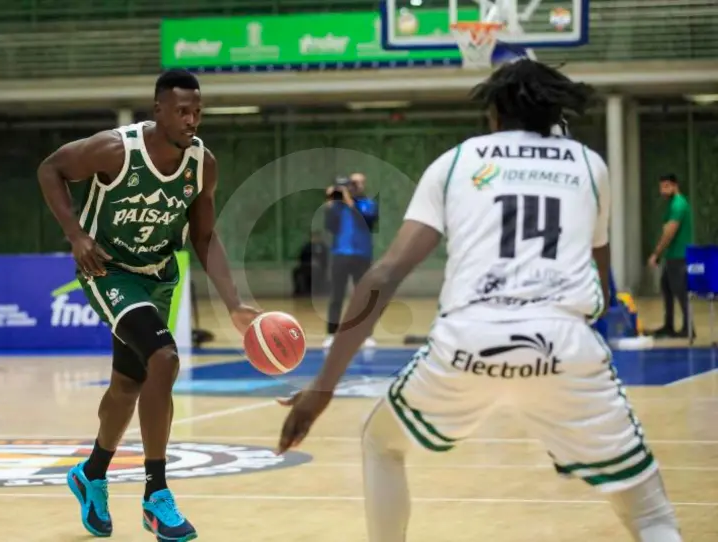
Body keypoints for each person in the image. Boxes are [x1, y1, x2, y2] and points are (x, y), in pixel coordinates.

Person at [278, 59, 682, 542]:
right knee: (650, 515)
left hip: (467, 341)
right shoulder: (589, 166)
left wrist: (322, 388)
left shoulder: (455, 162)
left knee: (381, 443)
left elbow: (382, 276)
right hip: (563, 342)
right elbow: (598, 283)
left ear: (494, 114)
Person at [37, 69, 260, 542]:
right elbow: (50, 169)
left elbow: (203, 236)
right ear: (158, 110)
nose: (192, 119)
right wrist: (76, 236)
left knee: (127, 384)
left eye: (197, 111)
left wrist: (235, 304)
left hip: (158, 276)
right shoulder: (115, 149)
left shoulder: (203, 164)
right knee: (164, 359)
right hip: (108, 271)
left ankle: (90, 474)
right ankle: (156, 495)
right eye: (182, 111)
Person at [324, 172, 379, 348]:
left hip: (362, 255)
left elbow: (367, 222)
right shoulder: (338, 207)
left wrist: (349, 201)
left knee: (363, 296)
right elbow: (330, 227)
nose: (355, 187)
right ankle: (332, 333)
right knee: (336, 296)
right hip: (340, 254)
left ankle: (365, 335)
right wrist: (330, 204)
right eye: (352, 184)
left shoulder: (368, 204)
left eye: (358, 183)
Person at [647, 174, 694, 339]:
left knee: (680, 291)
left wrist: (656, 254)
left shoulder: (678, 205)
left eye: (666, 186)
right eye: (661, 187)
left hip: (679, 255)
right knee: (666, 288)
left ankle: (689, 328)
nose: (663, 190)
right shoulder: (672, 205)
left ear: (675, 186)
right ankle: (669, 325)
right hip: (672, 255)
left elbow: (669, 233)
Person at [292, 231, 328, 297]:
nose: (315, 238)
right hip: (306, 265)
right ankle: (299, 290)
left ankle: (315, 290)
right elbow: (301, 258)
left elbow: (325, 259)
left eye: (317, 237)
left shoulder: (322, 247)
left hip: (318, 267)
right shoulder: (307, 246)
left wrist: (318, 263)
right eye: (313, 237)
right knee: (296, 271)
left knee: (315, 270)